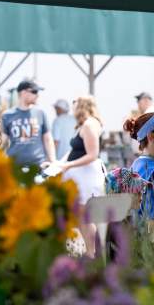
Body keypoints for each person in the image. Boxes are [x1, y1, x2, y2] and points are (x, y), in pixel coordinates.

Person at [57, 96, 105, 258]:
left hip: (87, 178)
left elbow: (92, 154)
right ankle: (91, 252)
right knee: (81, 217)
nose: (72, 107)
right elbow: (74, 152)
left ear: (82, 105)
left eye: (74, 103)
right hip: (80, 177)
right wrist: (56, 164)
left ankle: (92, 253)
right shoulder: (84, 125)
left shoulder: (90, 124)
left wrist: (67, 165)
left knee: (85, 217)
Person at [2, 80, 55, 168]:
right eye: (34, 91)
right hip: (14, 167)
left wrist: (52, 161)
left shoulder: (40, 113)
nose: (37, 95)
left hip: (38, 167)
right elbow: (2, 141)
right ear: (23, 93)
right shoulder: (7, 115)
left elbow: (48, 139)